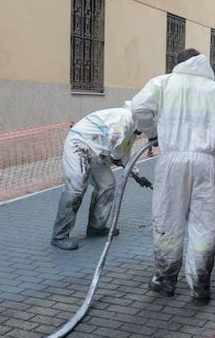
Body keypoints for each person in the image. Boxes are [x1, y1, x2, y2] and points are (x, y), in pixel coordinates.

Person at [131, 49, 215, 304]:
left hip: (172, 161)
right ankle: (200, 284)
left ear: (179, 64)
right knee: (205, 223)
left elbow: (138, 109)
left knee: (168, 219)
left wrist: (152, 132)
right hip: (206, 163)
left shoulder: (162, 84)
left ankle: (165, 279)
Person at [52, 104, 152, 251]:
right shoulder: (124, 117)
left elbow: (125, 156)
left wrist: (138, 176)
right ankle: (59, 235)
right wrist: (117, 158)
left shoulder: (133, 131)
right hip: (79, 145)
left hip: (97, 153)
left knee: (108, 185)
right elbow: (116, 144)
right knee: (76, 188)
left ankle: (96, 227)